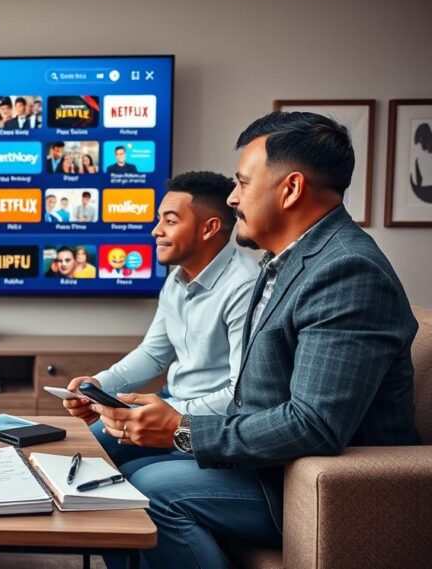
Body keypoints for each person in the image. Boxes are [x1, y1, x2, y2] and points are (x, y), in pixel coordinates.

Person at [69, 113, 420, 568]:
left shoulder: (347, 271)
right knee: (123, 474)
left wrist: (181, 427)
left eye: (242, 183)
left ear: (290, 189)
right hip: (268, 462)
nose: (232, 198)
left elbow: (315, 423)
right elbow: (252, 391)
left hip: (313, 483)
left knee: (141, 490)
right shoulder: (285, 261)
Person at [63, 171, 258, 482]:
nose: (155, 231)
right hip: (171, 404)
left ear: (209, 228)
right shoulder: (176, 279)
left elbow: (239, 396)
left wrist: (172, 416)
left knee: (132, 476)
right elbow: (154, 354)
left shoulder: (245, 286)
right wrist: (99, 386)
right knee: (82, 448)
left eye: (169, 221)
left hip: (208, 427)